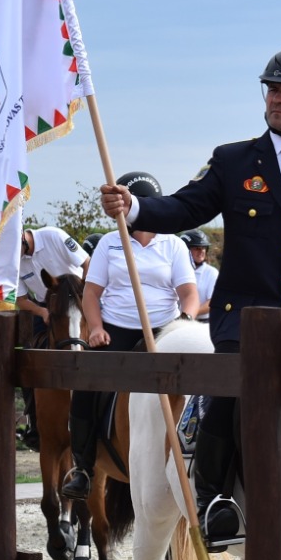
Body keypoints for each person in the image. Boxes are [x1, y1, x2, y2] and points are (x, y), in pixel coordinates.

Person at [100, 48, 281, 548]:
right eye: (271, 89)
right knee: (233, 395)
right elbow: (184, 206)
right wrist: (137, 205)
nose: (276, 98)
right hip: (243, 320)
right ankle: (216, 501)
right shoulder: (233, 160)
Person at [60, 171, 200, 500]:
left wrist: (188, 318)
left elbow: (188, 293)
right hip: (117, 330)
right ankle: (82, 465)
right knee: (86, 385)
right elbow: (91, 295)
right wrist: (95, 328)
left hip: (164, 329)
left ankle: (203, 454)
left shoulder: (174, 245)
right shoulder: (110, 244)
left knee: (199, 382)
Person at [15, 225, 90, 451]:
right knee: (29, 360)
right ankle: (34, 421)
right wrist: (43, 312)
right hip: (47, 307)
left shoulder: (53, 235)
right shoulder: (12, 261)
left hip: (79, 299)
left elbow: (87, 263)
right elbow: (21, 299)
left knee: (104, 341)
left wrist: (85, 296)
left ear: (21, 237)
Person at [180, 229, 218, 323]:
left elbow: (212, 302)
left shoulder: (211, 272)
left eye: (203, 248)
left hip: (203, 323)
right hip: (178, 321)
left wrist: (187, 316)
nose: (201, 251)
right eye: (197, 248)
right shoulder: (176, 271)